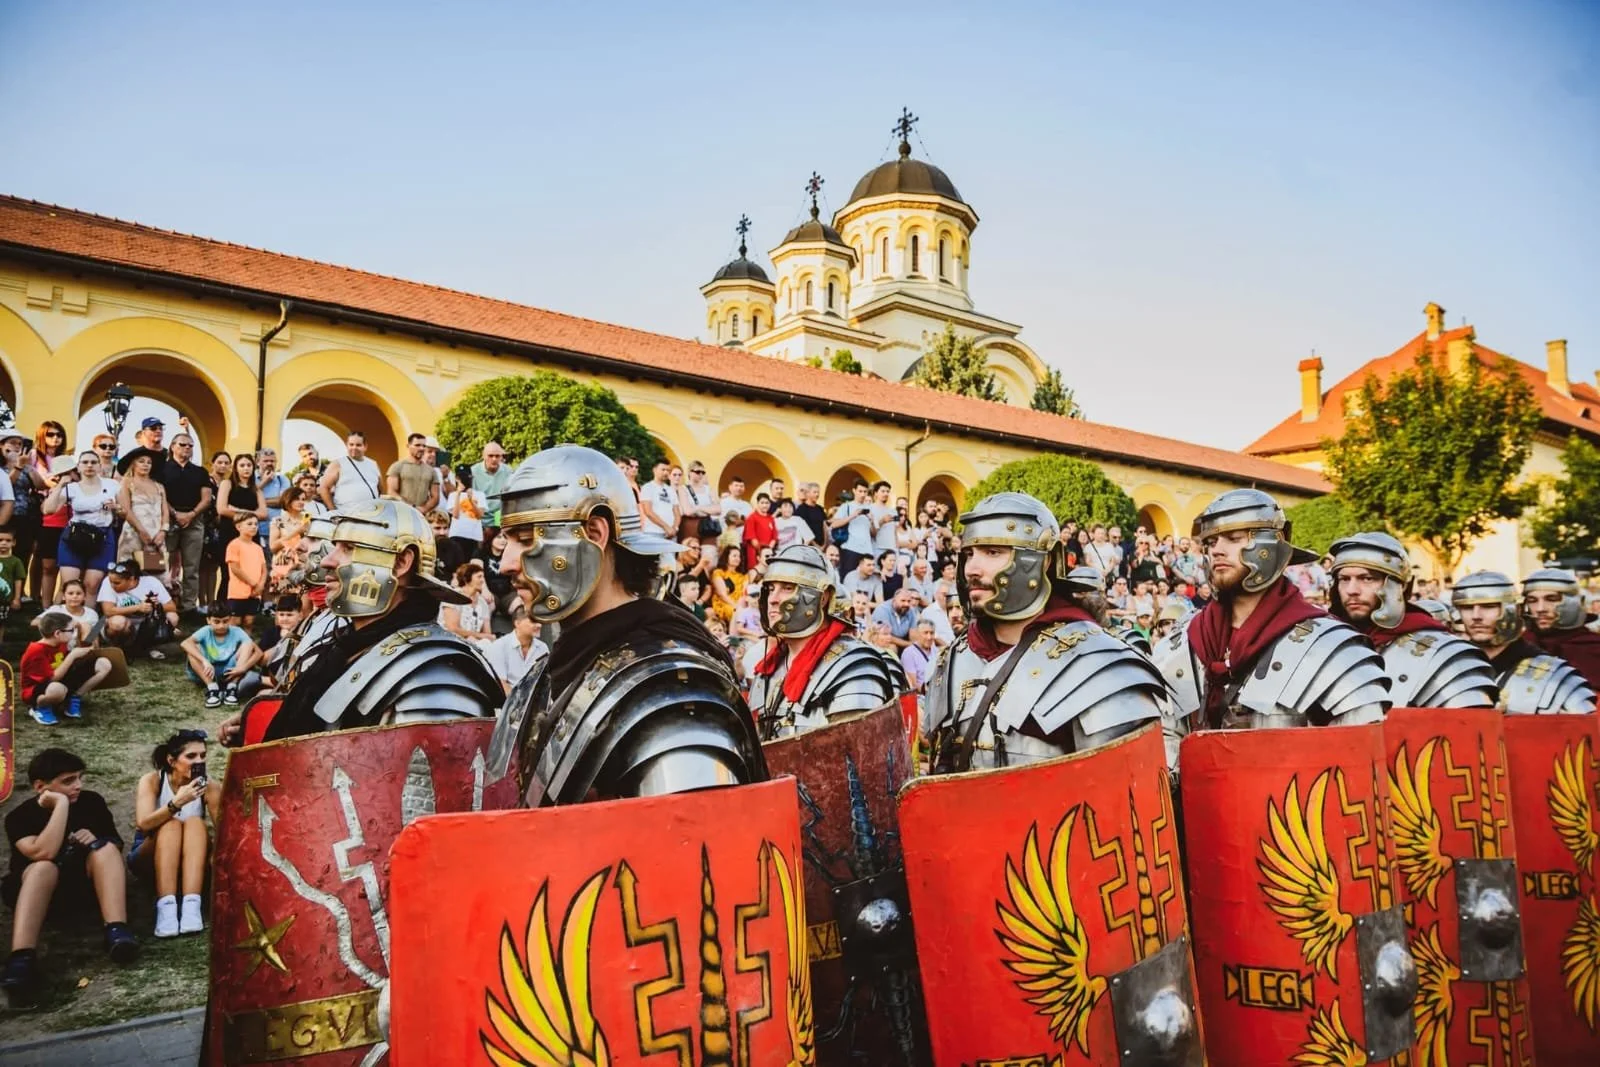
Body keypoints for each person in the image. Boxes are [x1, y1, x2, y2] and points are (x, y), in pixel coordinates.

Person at [491, 444, 764, 803]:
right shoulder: (547, 674)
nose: (506, 563)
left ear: (594, 533)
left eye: (526, 540)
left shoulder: (670, 690)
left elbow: (696, 848)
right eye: (507, 540)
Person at [924, 492, 1176, 773]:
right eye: (969, 554)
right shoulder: (953, 659)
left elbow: (1123, 796)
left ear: (1043, 561)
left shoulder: (1098, 665)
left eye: (993, 552)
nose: (972, 568)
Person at [238, 497, 501, 743]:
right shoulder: (347, 641)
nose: (328, 561)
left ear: (400, 562)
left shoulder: (432, 673)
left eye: (349, 548)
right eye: (335, 547)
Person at [1154, 489, 1390, 736]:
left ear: (1271, 544)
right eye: (1211, 542)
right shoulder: (1183, 642)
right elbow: (1163, 746)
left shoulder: (1332, 648)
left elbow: (1358, 756)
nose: (1217, 550)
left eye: (1234, 538)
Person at [1, 749, 138, 1007]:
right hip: (37, 894)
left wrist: (96, 840)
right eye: (68, 781)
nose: (78, 786)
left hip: (83, 888)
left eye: (79, 778)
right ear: (41, 787)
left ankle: (117, 931)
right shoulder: (20, 816)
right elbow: (42, 852)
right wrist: (60, 807)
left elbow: (115, 849)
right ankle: (21, 958)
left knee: (105, 847)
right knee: (43, 867)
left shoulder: (91, 802)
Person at [746, 544, 906, 739]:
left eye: (788, 588)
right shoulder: (767, 669)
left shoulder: (851, 667)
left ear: (822, 599)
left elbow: (858, 758)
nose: (773, 598)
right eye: (771, 589)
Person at [1327, 532, 1498, 707]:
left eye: (1367, 578)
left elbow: (1469, 729)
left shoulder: (1443, 654)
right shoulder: (1327, 647)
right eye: (1344, 579)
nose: (1352, 590)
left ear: (1401, 585)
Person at [1452, 571, 1596, 714]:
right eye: (1467, 608)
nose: (1476, 616)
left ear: (1515, 610)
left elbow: (1585, 731)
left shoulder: (1556, 677)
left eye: (1489, 606)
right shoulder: (1450, 667)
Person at [130, 730, 221, 938]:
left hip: (192, 858)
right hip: (150, 854)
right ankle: (166, 909)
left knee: (196, 823)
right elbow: (143, 825)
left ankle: (191, 906)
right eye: (191, 756)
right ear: (172, 760)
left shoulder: (209, 786)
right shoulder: (152, 780)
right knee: (170, 825)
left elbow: (224, 830)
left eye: (203, 755)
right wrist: (177, 803)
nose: (199, 761)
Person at [44, 450, 119, 603]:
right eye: (85, 462)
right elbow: (48, 509)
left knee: (92, 584)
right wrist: (60, 485)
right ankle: (55, 618)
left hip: (102, 535)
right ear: (78, 467)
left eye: (93, 462)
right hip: (75, 534)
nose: (89, 465)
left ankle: (88, 621)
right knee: (68, 584)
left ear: (100, 466)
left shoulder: (112, 485)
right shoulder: (71, 488)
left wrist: (116, 507)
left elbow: (124, 510)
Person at [19, 612, 114, 724]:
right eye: (71, 630)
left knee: (103, 664)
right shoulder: (36, 651)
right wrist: (72, 656)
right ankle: (40, 707)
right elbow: (51, 679)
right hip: (38, 689)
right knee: (57, 689)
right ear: (58, 633)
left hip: (61, 680)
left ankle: (74, 697)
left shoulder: (60, 642)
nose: (73, 634)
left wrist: (85, 645)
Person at [160, 432, 213, 616]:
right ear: (173, 446)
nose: (187, 448)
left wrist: (191, 514)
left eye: (190, 445)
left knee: (192, 566)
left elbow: (206, 499)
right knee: (162, 563)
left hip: (194, 519)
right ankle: (163, 603)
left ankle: (189, 606)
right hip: (168, 517)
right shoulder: (162, 469)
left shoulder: (200, 472)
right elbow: (160, 496)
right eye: (183, 444)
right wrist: (175, 514)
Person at [1523, 568, 1600, 691]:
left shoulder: (1594, 648)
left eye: (1551, 599)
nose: (1540, 609)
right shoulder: (1519, 646)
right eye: (1532, 601)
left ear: (1576, 602)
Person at [181, 606, 263, 707]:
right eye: (217, 622)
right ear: (208, 620)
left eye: (225, 621)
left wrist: (243, 668)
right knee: (192, 648)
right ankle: (212, 689)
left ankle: (231, 688)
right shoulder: (206, 631)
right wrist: (204, 661)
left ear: (230, 620)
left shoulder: (236, 631)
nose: (221, 626)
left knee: (248, 644)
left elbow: (258, 652)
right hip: (207, 671)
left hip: (230, 672)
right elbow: (185, 643)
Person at [97, 559, 180, 655]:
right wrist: (137, 607)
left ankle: (149, 646)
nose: (112, 585)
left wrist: (153, 606)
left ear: (132, 579)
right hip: (122, 624)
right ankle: (121, 648)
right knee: (117, 623)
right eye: (111, 582)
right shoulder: (109, 580)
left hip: (146, 625)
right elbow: (108, 611)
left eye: (117, 583)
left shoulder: (151, 582)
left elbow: (172, 607)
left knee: (173, 617)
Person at [28, 420, 71, 607]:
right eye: (51, 434)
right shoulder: (32, 456)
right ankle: (32, 594)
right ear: (42, 436)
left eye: (59, 435)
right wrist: (48, 481)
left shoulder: (65, 458)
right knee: (35, 551)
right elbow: (30, 477)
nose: (55, 438)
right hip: (35, 504)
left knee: (44, 555)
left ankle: (41, 597)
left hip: (56, 509)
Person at [115, 446, 170, 576]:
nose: (145, 465)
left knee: (157, 575)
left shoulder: (159, 486)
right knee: (128, 573)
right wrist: (141, 531)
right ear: (133, 464)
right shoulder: (127, 482)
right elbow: (126, 509)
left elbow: (165, 511)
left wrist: (163, 531)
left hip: (156, 535)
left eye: (149, 462)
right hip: (133, 532)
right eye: (141, 461)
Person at [484, 607, 548, 693]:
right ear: (517, 623)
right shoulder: (499, 646)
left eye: (540, 621)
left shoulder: (543, 648)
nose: (539, 625)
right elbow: (501, 683)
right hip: (507, 701)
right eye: (533, 621)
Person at [216, 451, 267, 554]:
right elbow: (222, 509)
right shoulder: (227, 484)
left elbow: (263, 514)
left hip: (250, 534)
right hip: (230, 531)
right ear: (235, 468)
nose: (246, 468)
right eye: (242, 465)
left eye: (249, 465)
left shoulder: (256, 490)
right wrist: (252, 514)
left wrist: (237, 510)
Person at [317, 431, 382, 511]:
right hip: (347, 515)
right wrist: (333, 511)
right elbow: (324, 487)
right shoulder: (337, 464)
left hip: (371, 513)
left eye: (358, 445)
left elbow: (379, 489)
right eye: (351, 444)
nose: (354, 447)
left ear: (365, 446)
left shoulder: (373, 464)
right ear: (347, 445)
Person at [438, 560, 495, 648]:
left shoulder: (482, 602)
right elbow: (452, 629)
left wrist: (478, 637)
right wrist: (478, 636)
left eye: (483, 577)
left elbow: (488, 634)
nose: (483, 580)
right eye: (479, 577)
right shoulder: (453, 596)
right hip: (450, 643)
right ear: (466, 579)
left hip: (475, 644)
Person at [224, 514, 266, 629]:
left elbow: (264, 569)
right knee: (235, 622)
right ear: (238, 527)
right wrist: (253, 583)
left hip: (255, 592)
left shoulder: (258, 548)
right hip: (238, 592)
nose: (254, 527)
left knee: (249, 621)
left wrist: (260, 585)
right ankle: (232, 645)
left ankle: (246, 644)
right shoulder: (234, 545)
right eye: (249, 524)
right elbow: (235, 568)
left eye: (256, 524)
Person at [387, 432, 441, 513]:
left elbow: (435, 497)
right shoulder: (397, 466)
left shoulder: (431, 471)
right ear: (408, 446)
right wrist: (409, 508)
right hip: (401, 513)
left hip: (422, 516)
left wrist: (423, 509)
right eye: (417, 445)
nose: (421, 448)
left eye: (424, 446)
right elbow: (392, 492)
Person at [443, 464, 488, 561]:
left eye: (466, 477)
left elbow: (480, 515)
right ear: (456, 478)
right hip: (457, 534)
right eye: (460, 477)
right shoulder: (453, 495)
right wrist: (458, 494)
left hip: (474, 535)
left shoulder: (480, 495)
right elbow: (455, 515)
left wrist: (471, 500)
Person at [830, 479, 874, 574]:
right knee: (847, 578)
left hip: (867, 550)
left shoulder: (870, 508)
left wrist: (872, 520)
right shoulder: (847, 506)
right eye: (860, 491)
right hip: (850, 548)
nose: (862, 494)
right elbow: (833, 524)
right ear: (854, 491)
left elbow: (874, 533)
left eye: (865, 492)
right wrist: (852, 516)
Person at [469, 442, 511, 527]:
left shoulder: (508, 471)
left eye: (497, 456)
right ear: (483, 456)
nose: (494, 459)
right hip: (479, 516)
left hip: (499, 515)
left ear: (501, 457)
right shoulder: (473, 472)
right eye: (490, 456)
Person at [871, 585, 921, 650]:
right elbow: (886, 636)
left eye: (909, 601)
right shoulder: (882, 610)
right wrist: (909, 644)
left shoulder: (910, 610)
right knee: (892, 648)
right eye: (903, 601)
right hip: (883, 641)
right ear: (894, 600)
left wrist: (915, 646)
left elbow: (913, 634)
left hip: (904, 642)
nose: (906, 604)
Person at [710, 543, 746, 625]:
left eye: (739, 556)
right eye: (734, 556)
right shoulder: (718, 573)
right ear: (726, 557)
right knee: (735, 612)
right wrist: (736, 606)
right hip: (724, 604)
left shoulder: (743, 576)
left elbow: (744, 593)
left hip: (740, 604)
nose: (737, 558)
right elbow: (722, 594)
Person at [901, 618, 939, 692]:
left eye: (932, 633)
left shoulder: (936, 651)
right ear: (918, 634)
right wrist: (931, 692)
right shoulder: (909, 653)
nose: (929, 637)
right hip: (922, 696)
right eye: (925, 633)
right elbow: (913, 685)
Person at [740, 493, 777, 570]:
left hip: (768, 554)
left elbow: (774, 538)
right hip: (755, 554)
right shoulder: (751, 518)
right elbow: (753, 539)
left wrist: (768, 550)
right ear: (758, 504)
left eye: (767, 503)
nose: (765, 505)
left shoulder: (771, 518)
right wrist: (762, 552)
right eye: (762, 503)